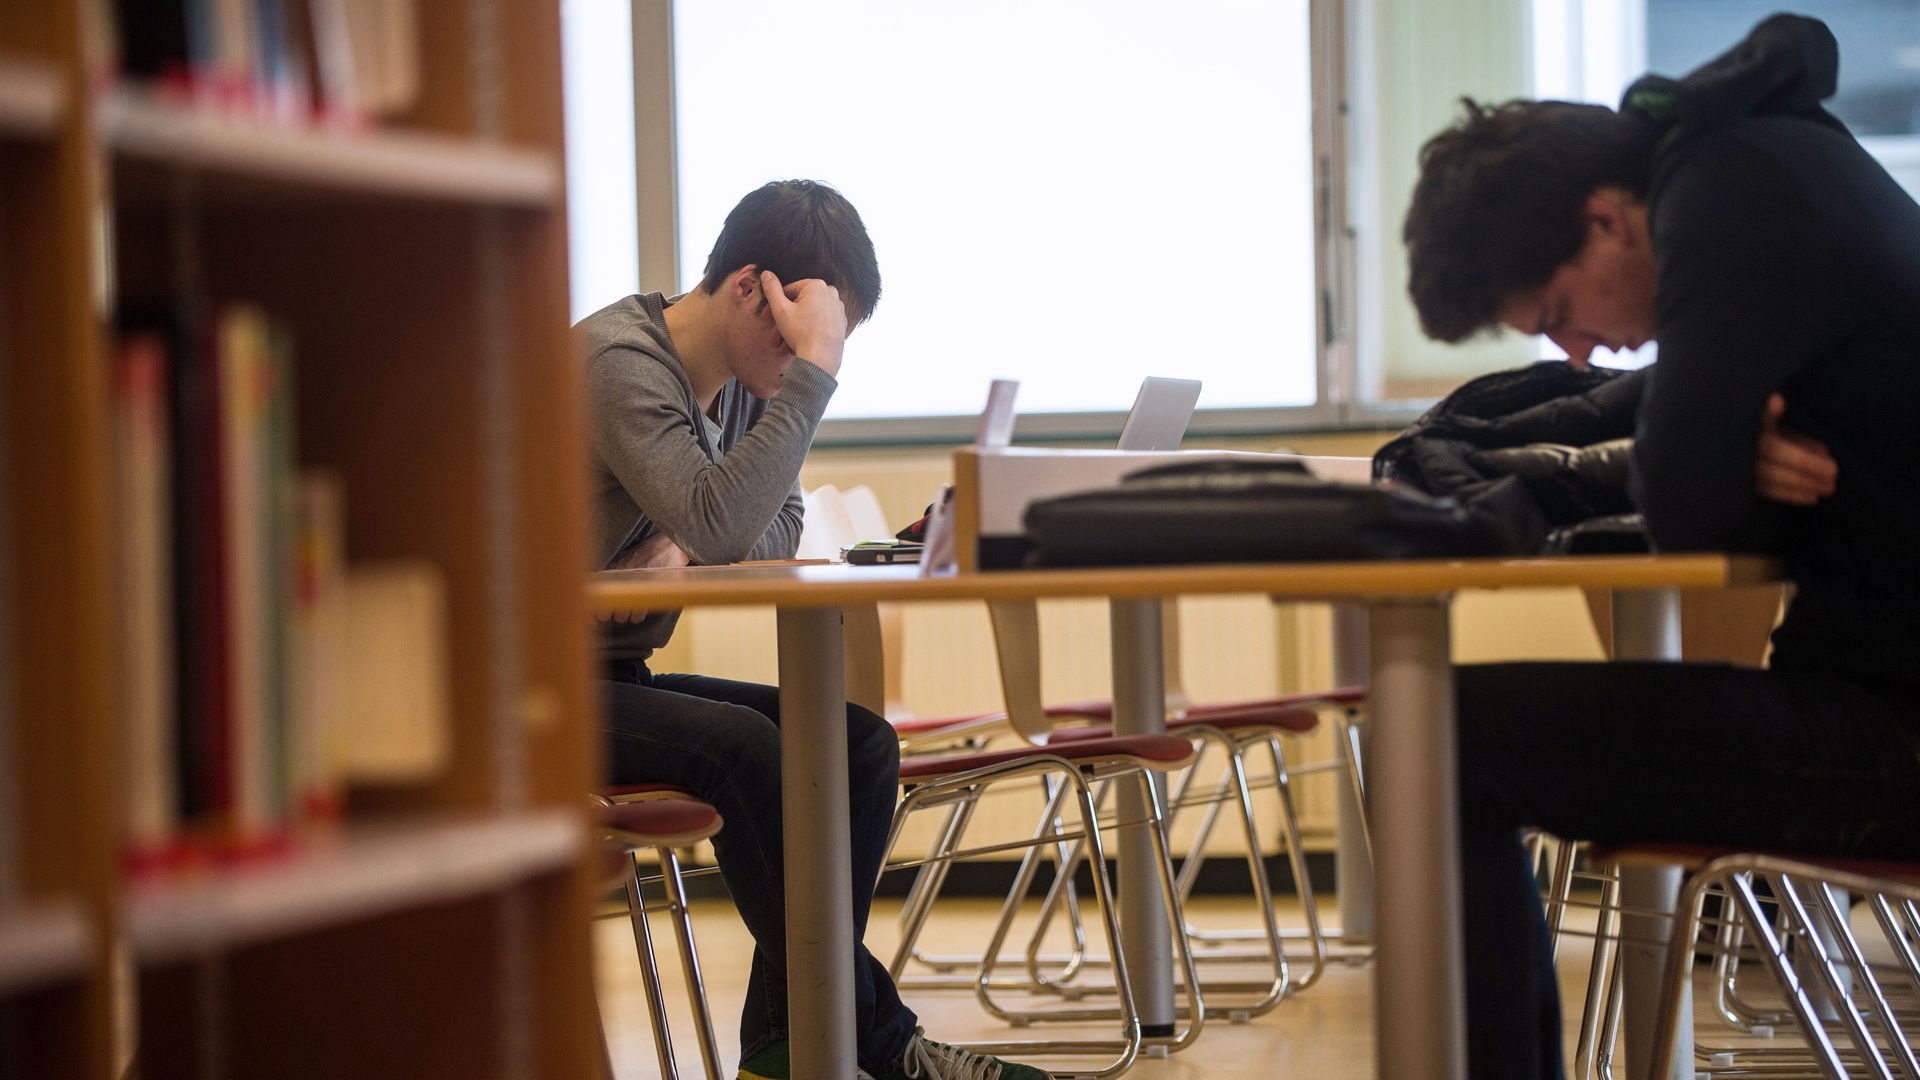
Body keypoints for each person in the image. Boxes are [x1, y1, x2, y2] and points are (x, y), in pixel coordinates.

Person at [1400, 15, 1920, 1079]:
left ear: (1607, 223)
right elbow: (1689, 467)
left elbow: (1684, 506)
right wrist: (1727, 444)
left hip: (1894, 734)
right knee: (1446, 725)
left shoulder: (1726, 197)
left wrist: (1715, 452)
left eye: (1557, 312)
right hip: (1880, 697)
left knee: (1436, 738)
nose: (1577, 349)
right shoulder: (1771, 151)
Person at [578, 179, 1045, 1080]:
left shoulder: (748, 391)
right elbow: (729, 524)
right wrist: (810, 382)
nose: (806, 368)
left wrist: (674, 539)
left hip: (616, 677)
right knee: (753, 751)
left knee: (858, 743)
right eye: (805, 339)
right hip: (533, 692)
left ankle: (783, 1046)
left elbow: (778, 523)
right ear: (752, 289)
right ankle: (880, 1042)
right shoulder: (620, 362)